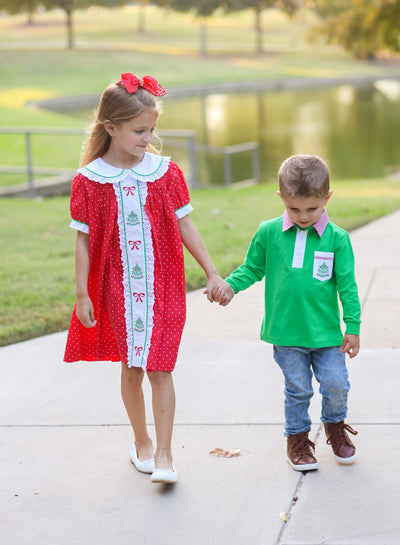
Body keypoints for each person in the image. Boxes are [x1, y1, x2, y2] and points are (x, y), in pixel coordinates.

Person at [64, 73, 224, 484]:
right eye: (139, 131)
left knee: (159, 367)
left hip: (165, 287)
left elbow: (186, 226)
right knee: (132, 368)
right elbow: (83, 241)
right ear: (110, 127)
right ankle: (143, 444)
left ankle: (167, 455)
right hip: (118, 290)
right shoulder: (89, 180)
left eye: (152, 129)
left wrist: (211, 271)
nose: (147, 138)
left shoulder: (165, 173)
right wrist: (83, 294)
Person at [212, 154, 361, 471]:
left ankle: (335, 428)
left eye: (312, 208)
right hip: (286, 332)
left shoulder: (338, 240)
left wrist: (353, 326)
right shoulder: (268, 233)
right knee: (299, 390)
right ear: (281, 198)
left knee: (336, 384)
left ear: (326, 199)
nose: (303, 216)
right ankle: (298, 441)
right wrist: (230, 286)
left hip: (327, 334)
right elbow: (252, 268)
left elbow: (347, 287)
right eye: (294, 209)